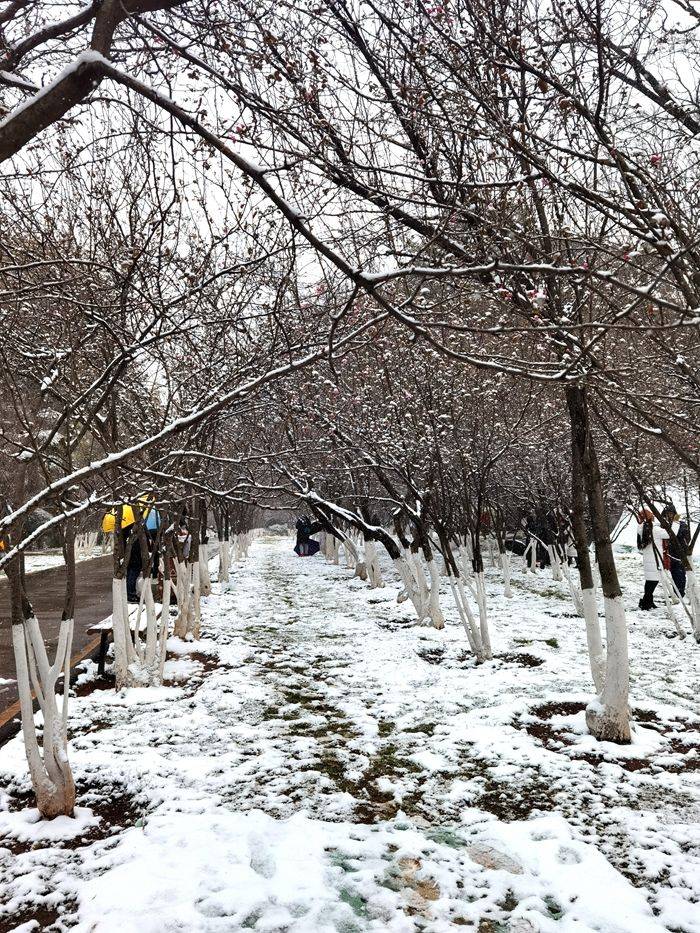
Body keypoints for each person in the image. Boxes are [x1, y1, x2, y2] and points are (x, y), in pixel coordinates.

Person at [637, 509, 669, 610]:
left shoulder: (641, 527)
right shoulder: (654, 529)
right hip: (654, 559)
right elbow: (669, 534)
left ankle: (648, 601)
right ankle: (645, 602)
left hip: (648, 558)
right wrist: (675, 523)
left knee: (650, 581)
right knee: (653, 581)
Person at [662, 504, 690, 598]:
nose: (669, 515)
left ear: (674, 514)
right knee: (674, 574)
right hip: (670, 553)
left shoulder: (681, 524)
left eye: (671, 513)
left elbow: (686, 538)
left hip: (680, 553)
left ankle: (680, 593)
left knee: (680, 574)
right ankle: (676, 592)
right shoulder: (665, 525)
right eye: (667, 514)